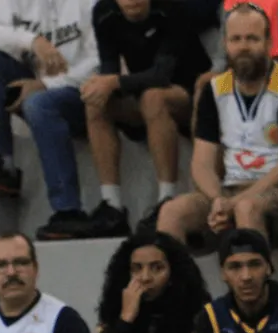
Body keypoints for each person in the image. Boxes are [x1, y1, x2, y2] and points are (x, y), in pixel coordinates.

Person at [155, 2, 278, 253]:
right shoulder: (214, 90)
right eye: (236, 39)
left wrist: (237, 202)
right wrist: (219, 199)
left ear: (267, 42)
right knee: (172, 212)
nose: (243, 47)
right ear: (225, 44)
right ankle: (179, 291)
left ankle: (258, 289)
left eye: (252, 39)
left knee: (246, 208)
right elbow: (201, 164)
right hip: (229, 189)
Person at [69, 0, 211, 239]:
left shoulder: (172, 9)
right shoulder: (104, 12)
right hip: (140, 91)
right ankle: (111, 205)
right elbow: (109, 66)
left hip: (191, 94)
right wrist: (101, 85)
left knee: (153, 97)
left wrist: (114, 82)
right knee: (96, 102)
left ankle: (167, 196)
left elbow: (162, 73)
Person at [0, 0, 103, 235]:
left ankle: (68, 211)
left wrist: (45, 84)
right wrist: (31, 41)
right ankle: (2, 164)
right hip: (37, 85)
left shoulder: (90, 3)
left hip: (83, 92)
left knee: (39, 104)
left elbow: (101, 60)